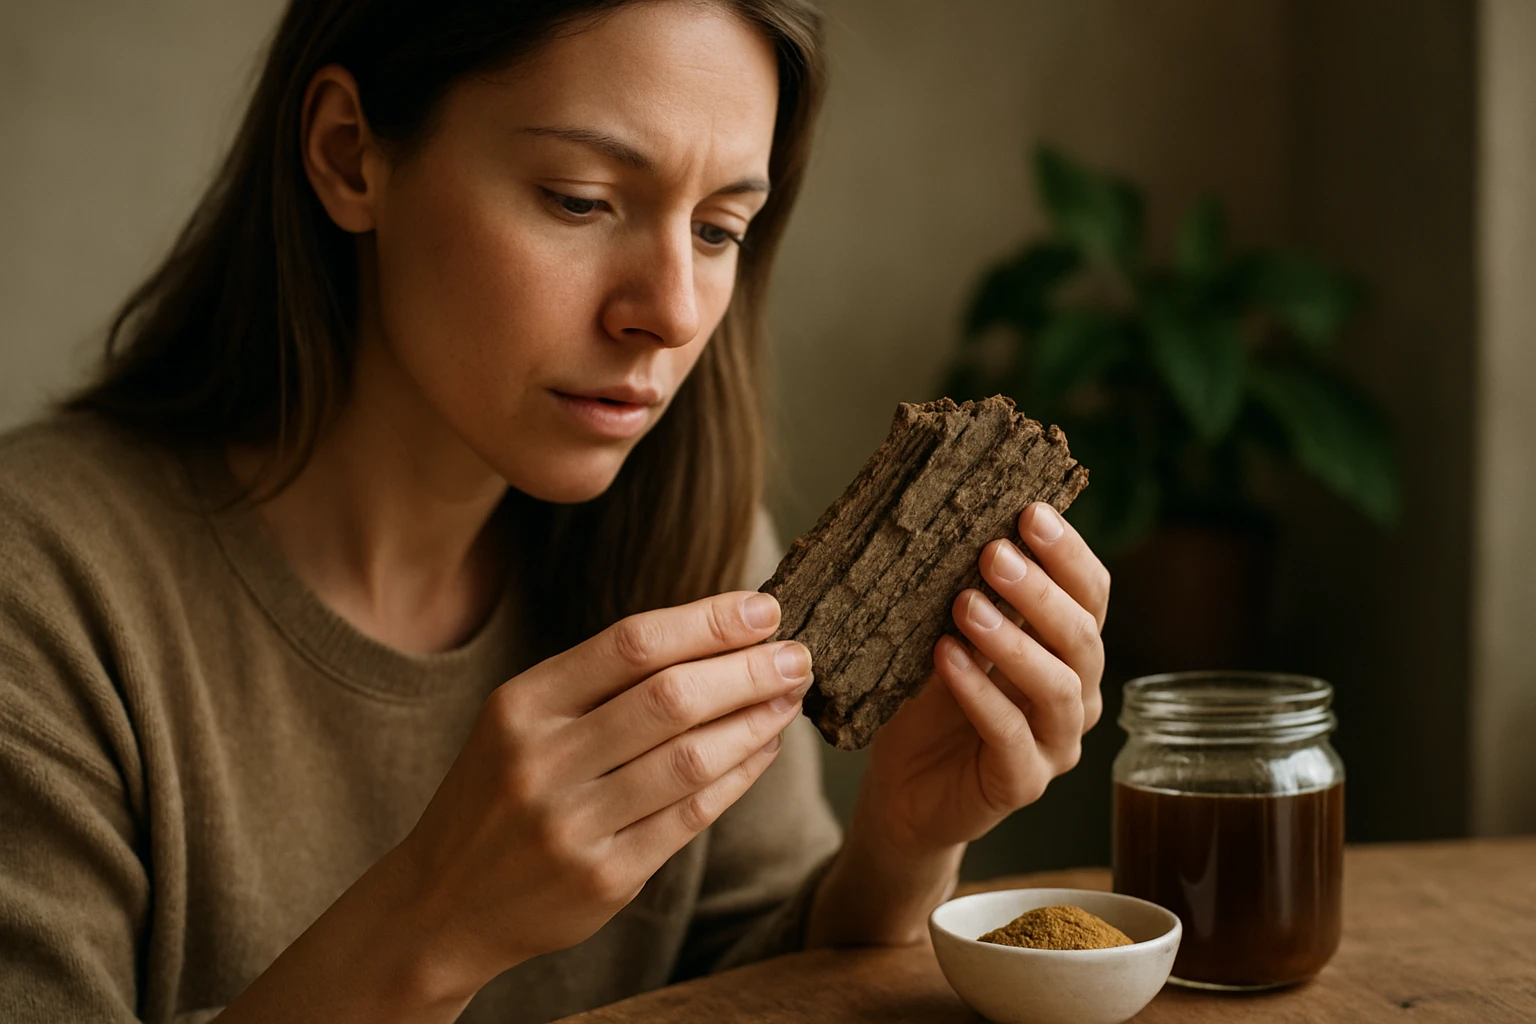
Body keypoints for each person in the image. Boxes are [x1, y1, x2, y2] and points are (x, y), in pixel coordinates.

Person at [0, 1, 1110, 1021]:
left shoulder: (700, 542)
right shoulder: (43, 590)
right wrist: (433, 923)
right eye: (581, 200)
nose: (671, 311)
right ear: (347, 153)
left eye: (719, 229)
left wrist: (900, 846)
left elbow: (745, 982)